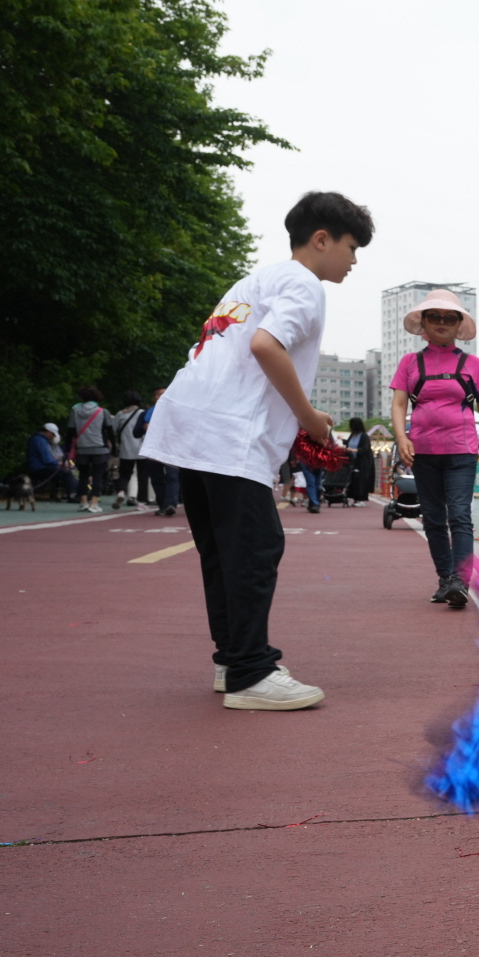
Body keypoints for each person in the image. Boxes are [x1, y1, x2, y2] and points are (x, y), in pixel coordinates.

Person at [143, 189, 374, 711]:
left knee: (223, 553)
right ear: (321, 239)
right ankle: (251, 672)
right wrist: (310, 418)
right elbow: (266, 345)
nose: (354, 260)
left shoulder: (253, 280)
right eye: (352, 247)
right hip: (230, 432)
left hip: (192, 425)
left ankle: (233, 660)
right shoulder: (304, 283)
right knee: (255, 548)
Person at [390, 290, 479, 607]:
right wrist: (402, 438)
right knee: (433, 518)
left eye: (449, 318)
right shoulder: (410, 363)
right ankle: (445, 579)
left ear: (458, 325)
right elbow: (399, 404)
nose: (441, 323)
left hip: (462, 451)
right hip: (422, 451)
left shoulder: (472, 364)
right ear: (423, 323)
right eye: (434, 317)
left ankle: (460, 580)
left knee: (459, 516)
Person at [134, 387, 178, 516]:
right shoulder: (146, 414)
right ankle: (162, 505)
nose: (162, 397)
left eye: (165, 394)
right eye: (159, 395)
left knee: (172, 476)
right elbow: (136, 433)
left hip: (172, 449)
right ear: (154, 398)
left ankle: (171, 504)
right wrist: (144, 427)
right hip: (153, 450)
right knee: (156, 478)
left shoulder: (177, 412)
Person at [69, 386, 112, 513]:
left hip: (82, 448)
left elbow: (70, 431)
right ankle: (94, 503)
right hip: (100, 448)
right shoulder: (103, 412)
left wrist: (68, 448)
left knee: (83, 476)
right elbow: (109, 431)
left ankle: (83, 502)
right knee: (98, 476)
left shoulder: (75, 411)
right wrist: (113, 447)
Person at [110, 391, 149, 509]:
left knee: (124, 474)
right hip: (142, 449)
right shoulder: (143, 413)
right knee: (143, 476)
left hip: (125, 449)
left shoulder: (120, 414)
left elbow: (113, 430)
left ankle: (121, 492)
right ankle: (141, 502)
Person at [25, 423, 77, 502]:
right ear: (48, 432)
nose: (53, 436)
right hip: (40, 468)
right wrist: (60, 464)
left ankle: (70, 494)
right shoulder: (40, 440)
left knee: (63, 472)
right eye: (52, 434)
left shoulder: (38, 439)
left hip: (38, 467)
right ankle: (72, 495)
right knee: (66, 473)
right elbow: (47, 460)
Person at [343, 416, 376, 505]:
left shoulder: (364, 436)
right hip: (353, 461)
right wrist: (343, 441)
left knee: (361, 480)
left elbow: (365, 448)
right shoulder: (352, 434)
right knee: (353, 479)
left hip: (362, 462)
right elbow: (350, 443)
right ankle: (354, 498)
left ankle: (361, 499)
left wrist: (354, 450)